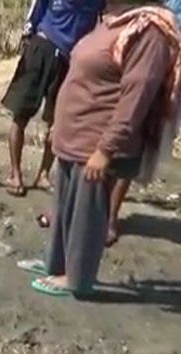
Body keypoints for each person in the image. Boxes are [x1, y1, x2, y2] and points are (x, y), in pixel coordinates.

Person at [28, 1, 181, 297]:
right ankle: (55, 266)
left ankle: (78, 278)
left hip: (96, 142)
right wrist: (59, 125)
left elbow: (136, 96)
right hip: (76, 138)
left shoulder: (147, 31)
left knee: (87, 214)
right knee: (65, 208)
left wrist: (107, 148)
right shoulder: (114, 21)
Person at [1, 0, 104, 197]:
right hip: (42, 47)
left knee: (57, 121)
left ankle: (44, 174)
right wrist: (27, 38)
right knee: (21, 114)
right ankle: (15, 173)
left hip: (70, 59)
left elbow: (101, 24)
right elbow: (36, 8)